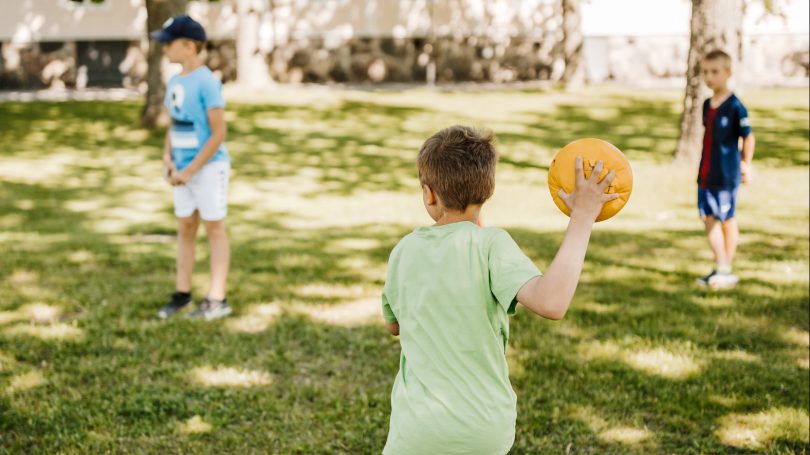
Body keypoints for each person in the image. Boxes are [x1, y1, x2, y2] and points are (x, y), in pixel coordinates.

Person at [380, 126, 618, 454]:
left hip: (416, 430)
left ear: (428, 193)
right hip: (483, 428)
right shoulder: (491, 245)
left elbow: (394, 325)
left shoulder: (404, 250)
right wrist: (583, 216)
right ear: (487, 190)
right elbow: (552, 302)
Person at [151, 15, 232, 320]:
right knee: (185, 227)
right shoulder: (175, 81)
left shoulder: (208, 81)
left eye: (169, 42)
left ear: (189, 45)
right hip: (182, 171)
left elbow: (218, 133)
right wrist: (168, 160)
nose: (165, 48)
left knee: (214, 228)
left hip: (208, 170)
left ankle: (217, 298)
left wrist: (192, 170)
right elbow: (174, 124)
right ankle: (182, 293)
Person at [695, 49, 756, 289]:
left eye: (715, 72)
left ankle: (725, 268)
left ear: (727, 73)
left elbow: (748, 138)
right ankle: (722, 267)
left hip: (726, 175)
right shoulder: (706, 105)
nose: (709, 77)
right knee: (708, 217)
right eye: (705, 72)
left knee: (727, 220)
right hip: (706, 174)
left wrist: (746, 164)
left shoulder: (735, 106)